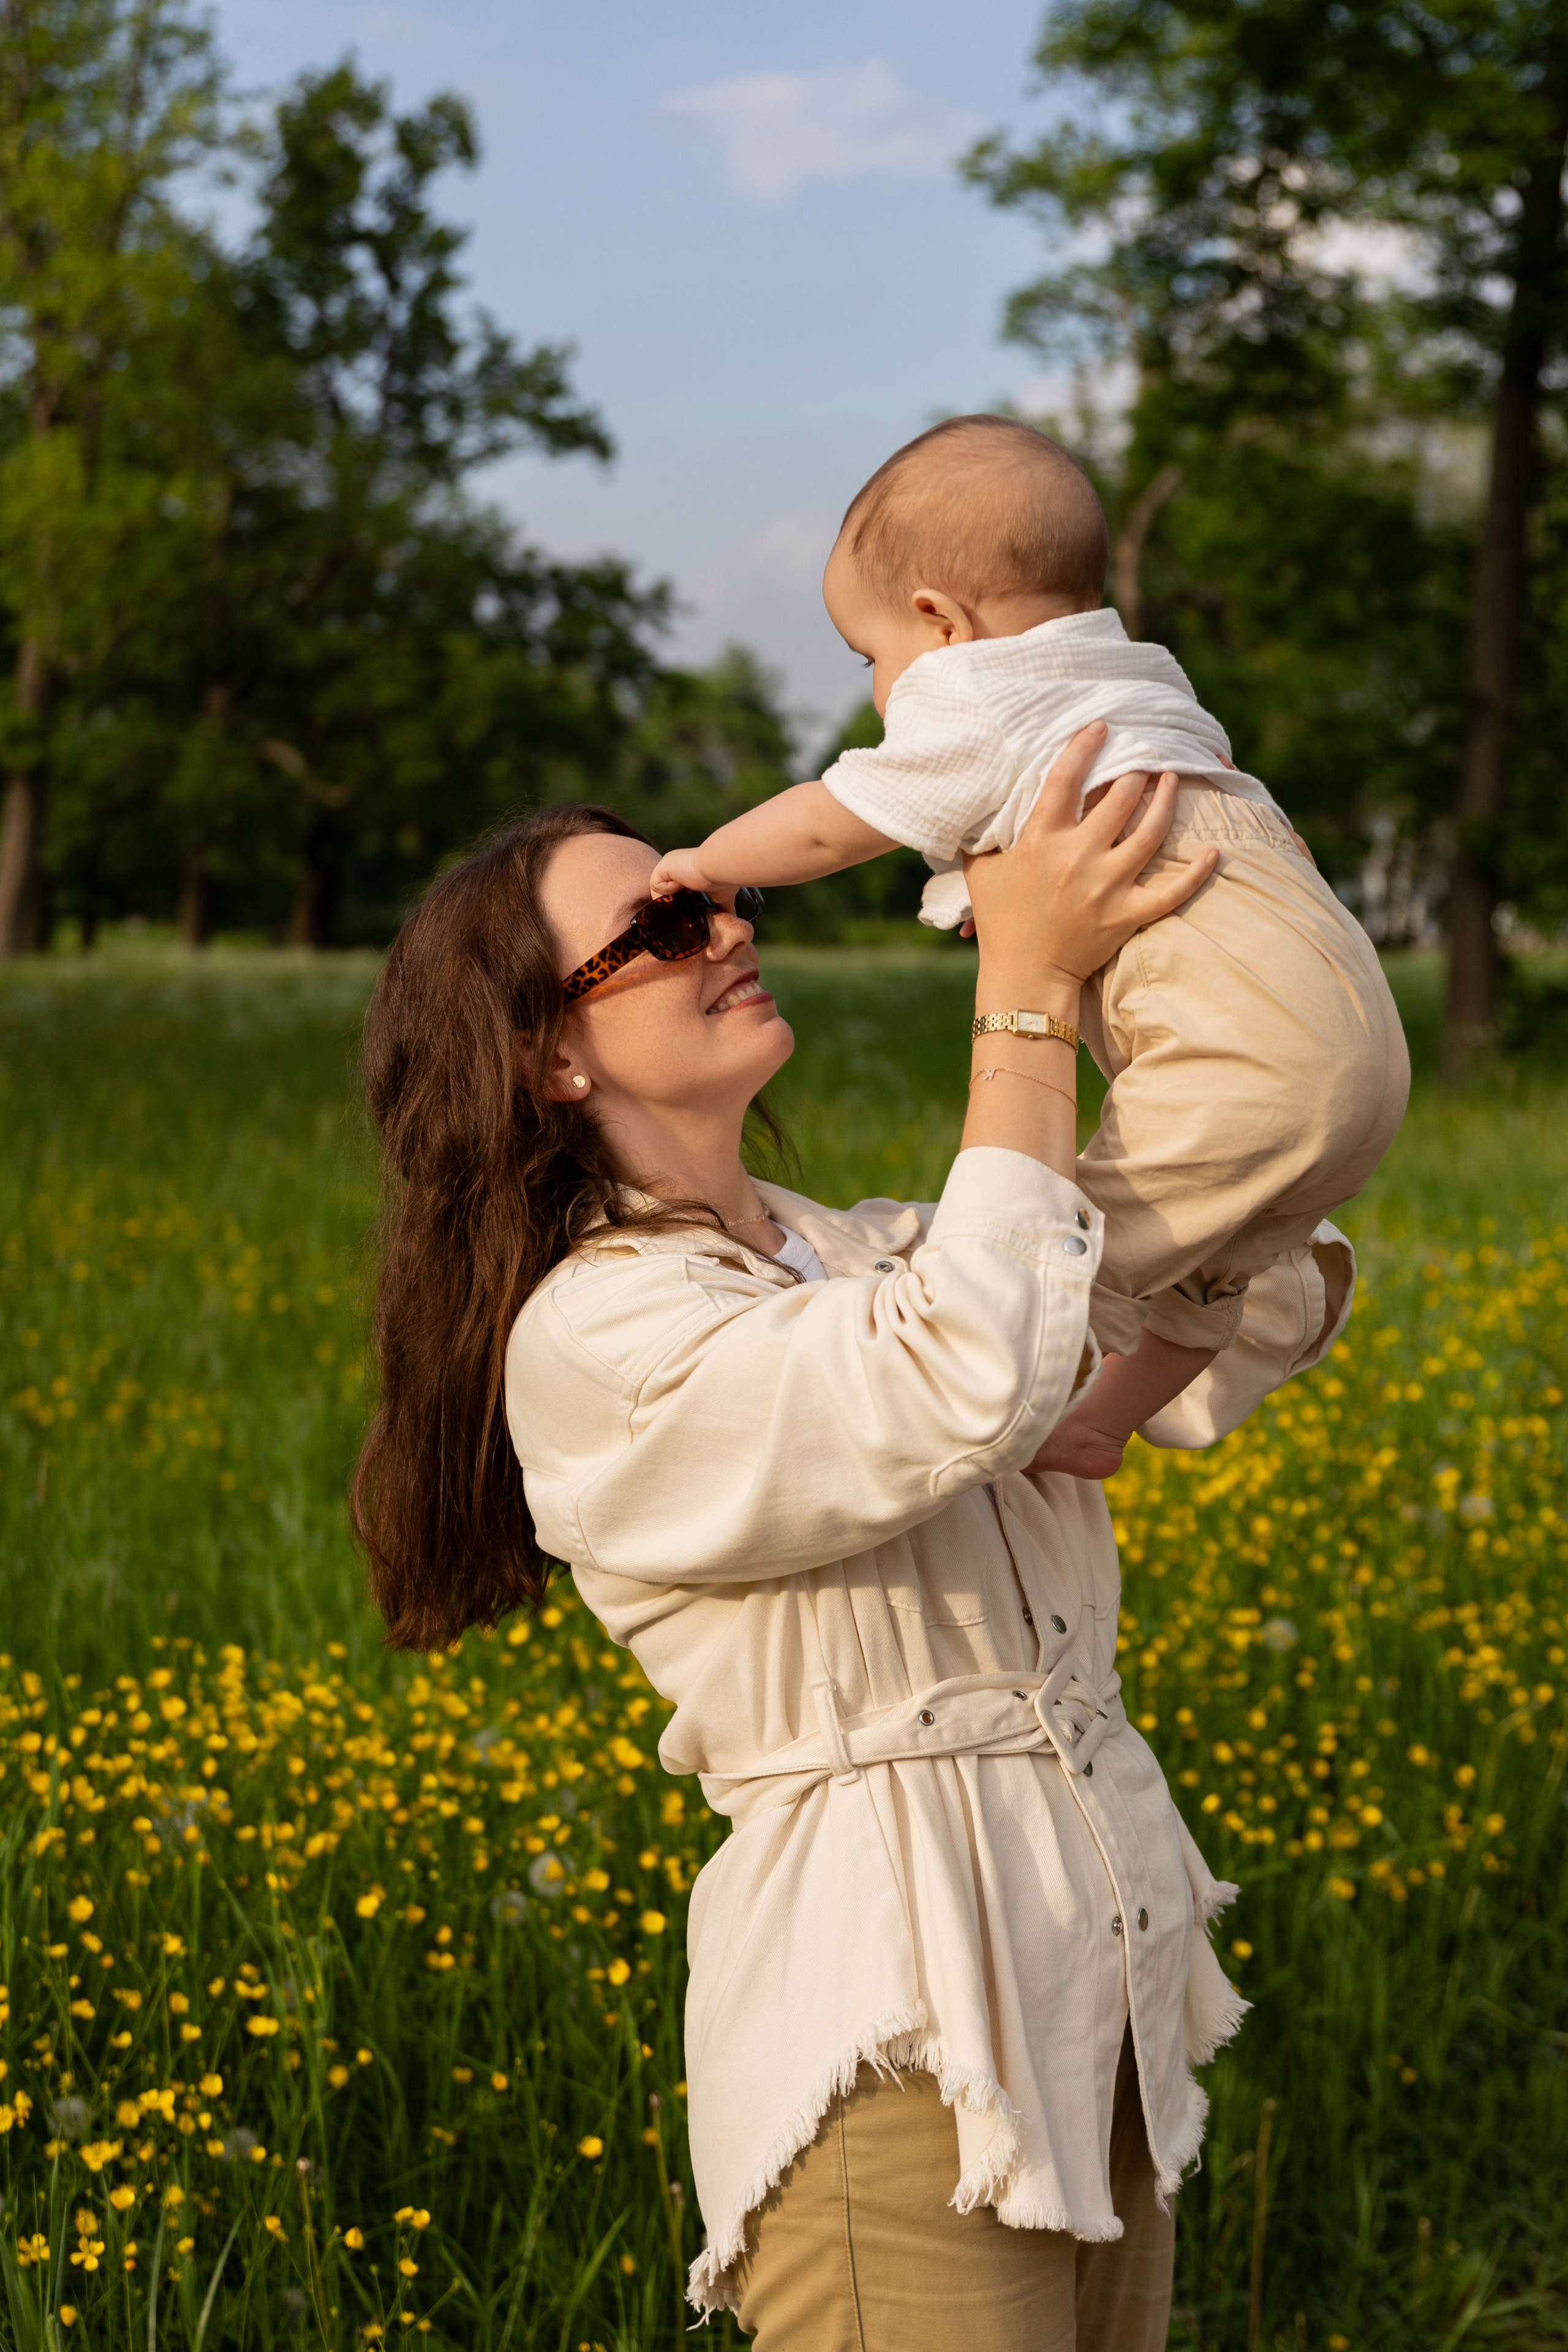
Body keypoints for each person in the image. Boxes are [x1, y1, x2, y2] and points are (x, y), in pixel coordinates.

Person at [352, 733, 1356, 2351]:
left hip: (1091, 2001)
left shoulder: (850, 1252)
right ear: (551, 1058)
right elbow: (963, 1366)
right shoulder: (600, 1336)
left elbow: (1245, 1294)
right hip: (896, 2043)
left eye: (727, 899)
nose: (732, 929)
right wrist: (1019, 991)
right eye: (667, 926)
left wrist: (1206, 1014)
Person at [647, 413, 1405, 1482]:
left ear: (939, 621)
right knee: (1201, 1269)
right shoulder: (1143, 678)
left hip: (1245, 1058)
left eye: (872, 658)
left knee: (1062, 1253)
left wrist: (711, 861)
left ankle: (983, 1378)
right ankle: (1101, 1422)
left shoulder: (980, 694)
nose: (876, 692)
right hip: (1356, 1024)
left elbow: (832, 818)